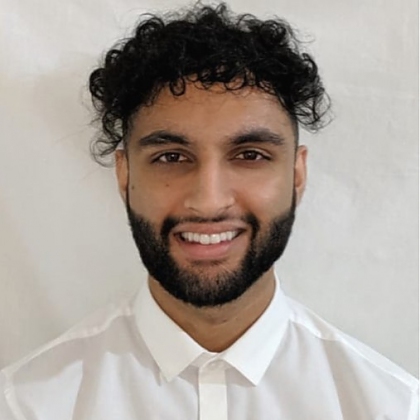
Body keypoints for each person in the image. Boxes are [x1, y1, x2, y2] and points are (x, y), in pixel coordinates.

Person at [0, 3, 417, 419]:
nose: (209, 200)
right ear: (125, 174)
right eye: (171, 157)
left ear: (297, 172)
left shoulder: (391, 406)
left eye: (250, 155)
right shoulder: (26, 404)